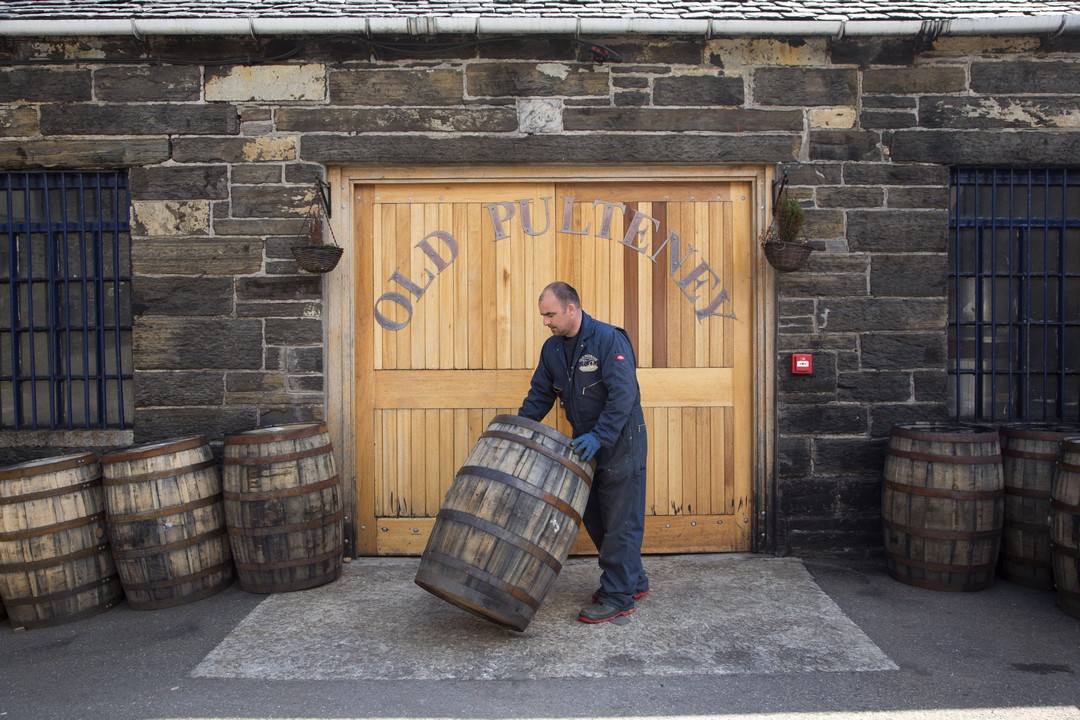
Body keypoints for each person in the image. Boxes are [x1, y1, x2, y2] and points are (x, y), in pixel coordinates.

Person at [518, 281, 649, 624]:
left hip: (621, 441)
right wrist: (518, 430)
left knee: (621, 520)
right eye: (543, 315)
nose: (546, 321)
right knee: (594, 515)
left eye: (550, 314)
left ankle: (618, 596)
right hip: (584, 445)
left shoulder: (609, 339)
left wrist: (600, 436)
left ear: (571, 308)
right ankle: (633, 580)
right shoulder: (553, 350)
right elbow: (539, 396)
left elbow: (623, 395)